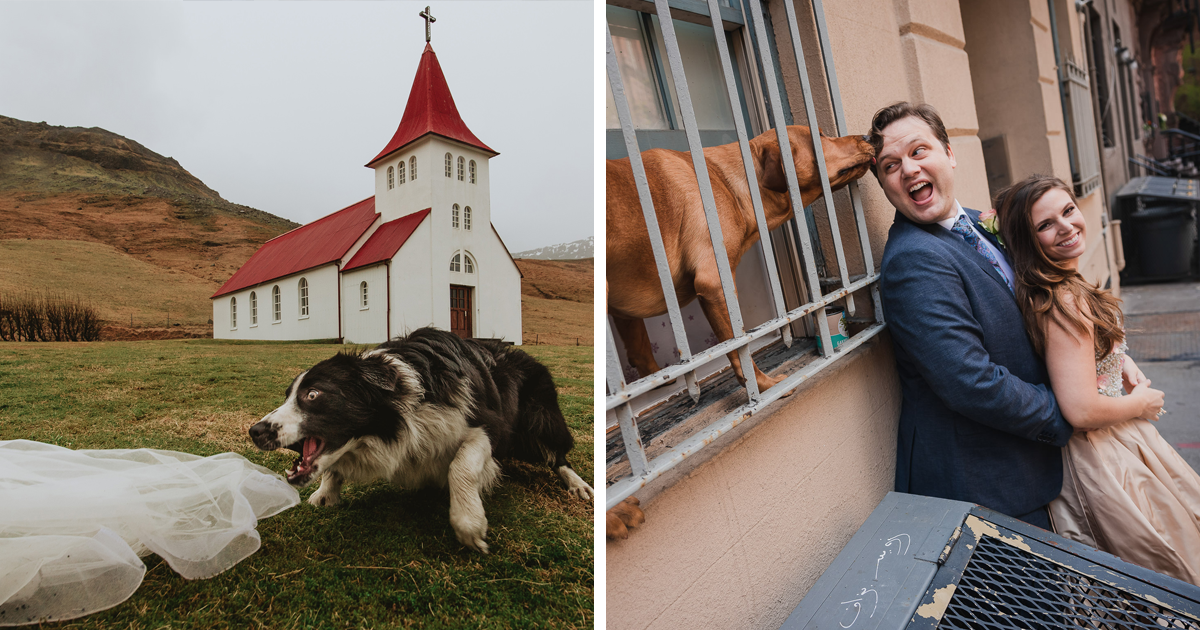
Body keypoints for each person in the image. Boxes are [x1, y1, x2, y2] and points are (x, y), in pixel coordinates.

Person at [871, 102, 1075, 530]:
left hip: (1025, 477)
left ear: (949, 153)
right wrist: (1066, 413)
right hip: (985, 494)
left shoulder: (980, 225)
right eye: (891, 165)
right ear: (885, 185)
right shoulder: (914, 260)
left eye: (918, 151)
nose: (908, 169)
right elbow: (971, 382)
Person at [994, 174, 1200, 584]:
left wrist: (1117, 358)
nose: (1067, 226)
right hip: (1104, 453)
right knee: (1164, 566)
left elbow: (1079, 356)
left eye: (1068, 211)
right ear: (1027, 240)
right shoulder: (1064, 301)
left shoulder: (1060, 285)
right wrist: (1145, 403)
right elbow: (1082, 409)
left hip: (1117, 441)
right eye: (1045, 225)